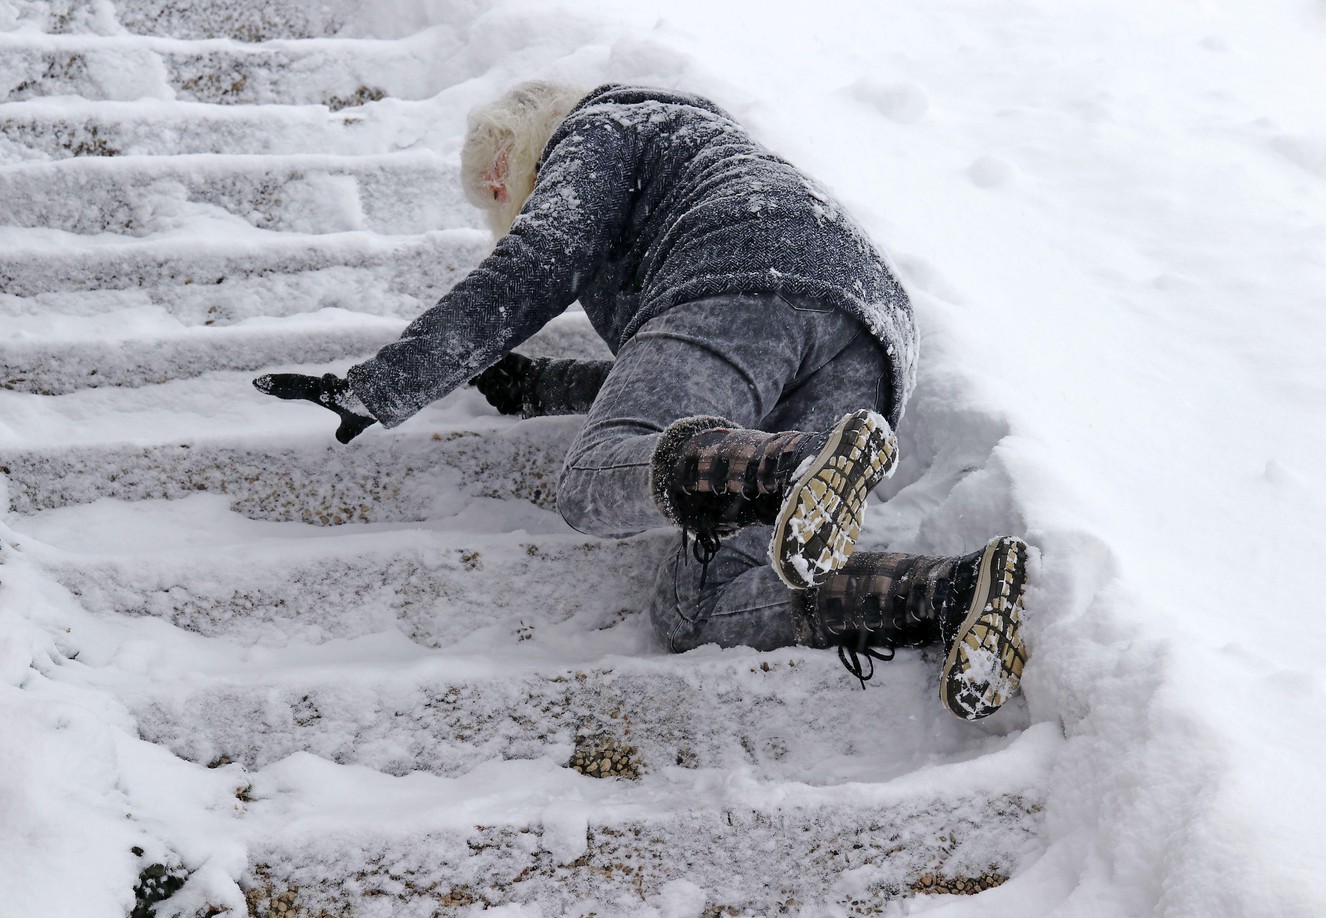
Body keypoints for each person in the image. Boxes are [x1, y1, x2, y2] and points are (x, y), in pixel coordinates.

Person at [255, 81, 1028, 721]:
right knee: (698, 606)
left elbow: (540, 258)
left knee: (594, 482)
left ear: (505, 164)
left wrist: (386, 382)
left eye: (496, 199)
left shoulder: (603, 126)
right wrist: (534, 386)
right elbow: (685, 380)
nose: (503, 212)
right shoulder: (692, 162)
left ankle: (793, 468)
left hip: (744, 273)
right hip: (871, 335)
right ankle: (952, 589)